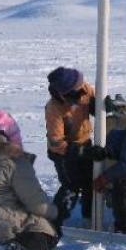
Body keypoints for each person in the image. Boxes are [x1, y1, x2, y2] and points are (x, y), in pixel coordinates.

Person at [45, 66, 95, 220]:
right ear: (66, 92)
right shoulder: (54, 108)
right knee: (71, 185)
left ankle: (90, 217)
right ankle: (55, 220)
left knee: (90, 182)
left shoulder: (84, 89)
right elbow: (56, 142)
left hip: (85, 143)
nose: (83, 87)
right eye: (78, 86)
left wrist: (103, 105)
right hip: (63, 154)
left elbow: (96, 101)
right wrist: (78, 152)